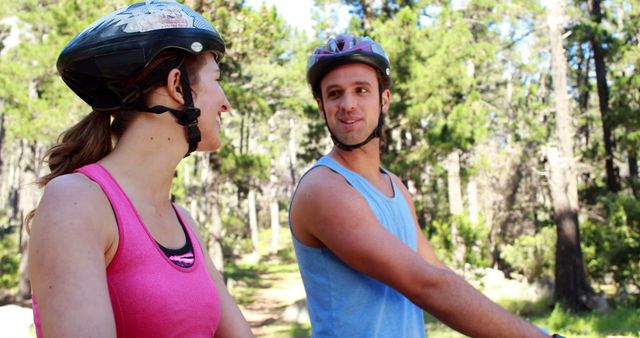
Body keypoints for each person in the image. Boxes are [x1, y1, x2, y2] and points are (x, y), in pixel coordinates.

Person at [289, 34, 556, 337]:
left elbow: (437, 272)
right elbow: (426, 286)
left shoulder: (395, 186)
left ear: (384, 99)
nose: (348, 104)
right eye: (335, 94)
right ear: (321, 107)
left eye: (361, 90)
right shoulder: (324, 189)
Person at [27, 1, 254, 337]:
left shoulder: (182, 220)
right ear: (179, 87)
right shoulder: (76, 203)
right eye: (216, 80)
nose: (225, 103)